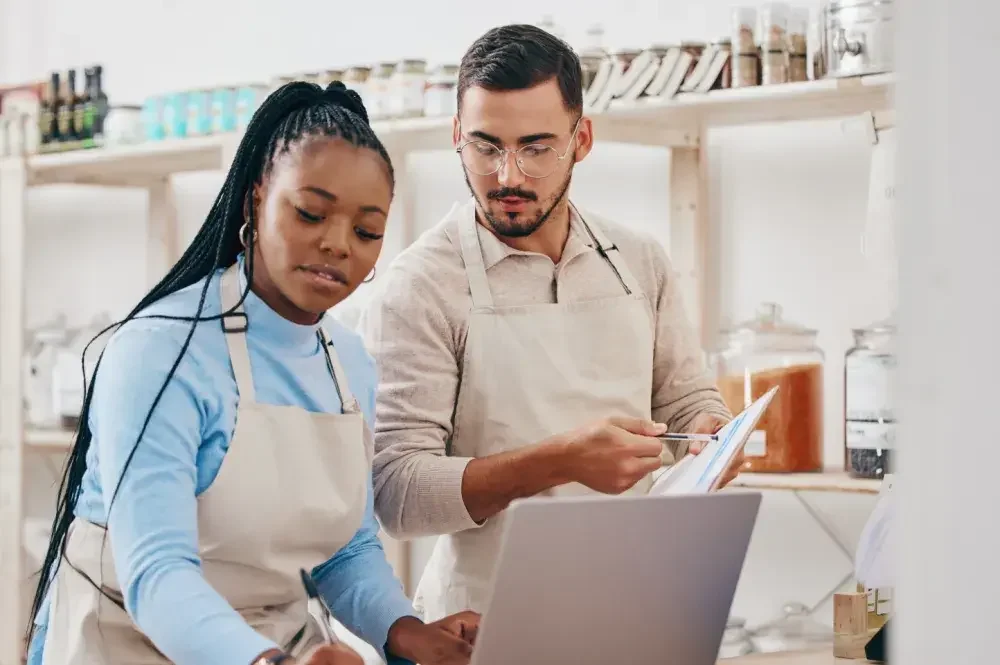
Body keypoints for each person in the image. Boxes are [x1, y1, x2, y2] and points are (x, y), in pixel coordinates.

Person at [25, 81, 479, 665]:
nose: (338, 244)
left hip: (277, 643)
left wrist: (407, 632)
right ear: (254, 201)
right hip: (124, 641)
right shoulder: (160, 353)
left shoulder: (348, 363)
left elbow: (346, 549)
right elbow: (157, 575)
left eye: (367, 231)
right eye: (311, 212)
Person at [356, 24, 741, 622]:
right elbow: (398, 494)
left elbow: (687, 402)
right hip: (487, 623)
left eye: (537, 148)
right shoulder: (421, 284)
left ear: (581, 139)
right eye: (486, 147)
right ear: (456, 135)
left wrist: (713, 435)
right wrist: (559, 461)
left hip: (640, 604)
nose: (509, 176)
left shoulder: (639, 261)